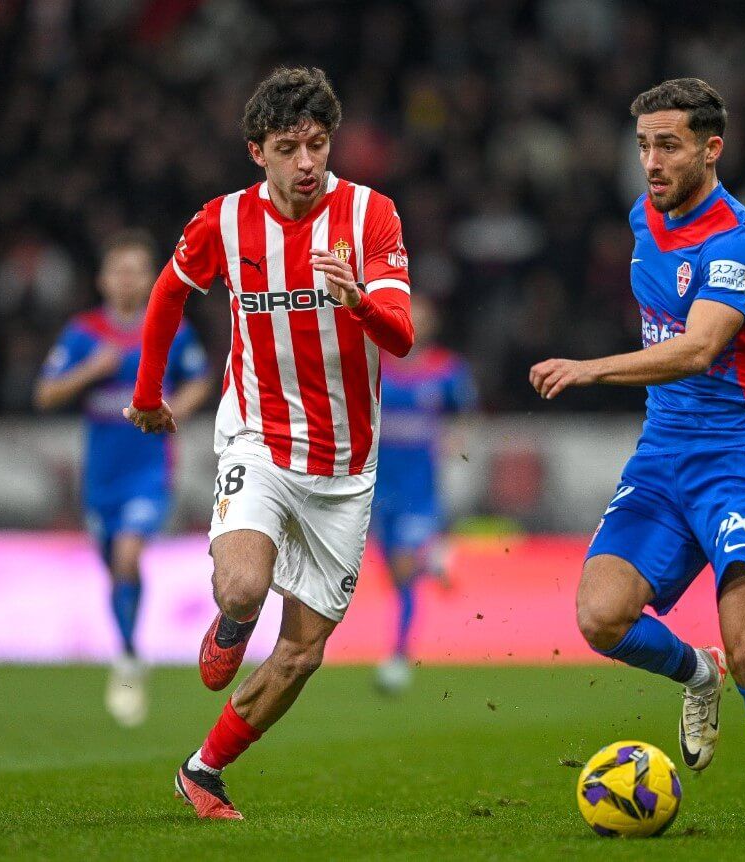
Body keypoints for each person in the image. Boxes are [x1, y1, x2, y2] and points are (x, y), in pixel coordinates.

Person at [529, 78, 745, 833]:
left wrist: (591, 368)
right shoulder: (644, 217)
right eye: (642, 146)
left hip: (738, 463)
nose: (651, 162)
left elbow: (696, 350)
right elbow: (696, 315)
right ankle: (696, 674)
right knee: (600, 617)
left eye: (667, 145)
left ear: (710, 148)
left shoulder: (737, 241)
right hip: (662, 457)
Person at [124, 67, 413, 820]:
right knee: (245, 586)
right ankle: (232, 617)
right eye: (289, 147)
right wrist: (147, 395)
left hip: (347, 470)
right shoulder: (221, 222)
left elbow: (402, 337)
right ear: (258, 151)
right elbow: (167, 293)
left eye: (318, 144)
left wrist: (358, 304)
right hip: (258, 437)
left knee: (302, 655)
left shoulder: (370, 215)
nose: (308, 162)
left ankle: (203, 771)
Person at [35, 230, 212, 727]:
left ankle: (129, 656)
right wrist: (90, 371)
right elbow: (45, 394)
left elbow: (201, 378)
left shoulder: (170, 325)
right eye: (119, 270)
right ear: (103, 279)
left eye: (137, 270)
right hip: (101, 475)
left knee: (128, 555)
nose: (128, 279)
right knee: (114, 567)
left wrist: (174, 408)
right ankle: (130, 650)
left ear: (151, 276)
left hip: (149, 470)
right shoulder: (84, 332)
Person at [371, 294, 475, 693]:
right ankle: (432, 560)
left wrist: (454, 440)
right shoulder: (376, 362)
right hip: (379, 486)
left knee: (402, 571)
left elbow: (463, 413)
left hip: (420, 489)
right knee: (395, 577)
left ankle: (398, 657)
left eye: (422, 319)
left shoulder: (446, 370)